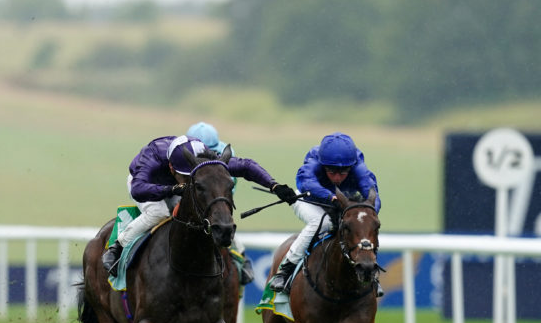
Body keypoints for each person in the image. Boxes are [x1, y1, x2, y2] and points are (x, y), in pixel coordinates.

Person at [102, 134, 297, 276]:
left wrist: (274, 185)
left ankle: (233, 257)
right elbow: (138, 189)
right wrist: (170, 190)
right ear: (171, 168)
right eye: (184, 177)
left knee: (205, 212)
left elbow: (245, 166)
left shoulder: (205, 157)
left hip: (180, 186)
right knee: (159, 211)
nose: (188, 180)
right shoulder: (151, 157)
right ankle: (117, 247)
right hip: (148, 185)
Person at [268, 132, 381, 294]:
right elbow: (306, 182)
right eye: (331, 172)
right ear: (323, 165)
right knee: (322, 222)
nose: (337, 178)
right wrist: (331, 197)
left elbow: (372, 192)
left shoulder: (358, 165)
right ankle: (286, 270)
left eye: (343, 173)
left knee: (365, 223)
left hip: (343, 202)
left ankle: (372, 273)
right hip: (309, 199)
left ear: (351, 166)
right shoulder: (314, 160)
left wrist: (370, 212)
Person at [186, 121, 253, 284]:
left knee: (226, 224)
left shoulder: (226, 162)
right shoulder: (181, 159)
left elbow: (228, 192)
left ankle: (241, 260)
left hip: (213, 206)